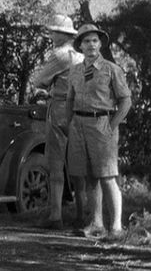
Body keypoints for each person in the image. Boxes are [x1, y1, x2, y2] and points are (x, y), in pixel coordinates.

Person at [66, 24, 132, 241]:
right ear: (80, 46)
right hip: (79, 124)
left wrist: (111, 125)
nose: (91, 45)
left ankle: (116, 227)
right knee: (89, 177)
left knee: (107, 176)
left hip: (102, 123)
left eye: (94, 40)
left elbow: (125, 101)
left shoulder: (112, 69)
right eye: (86, 41)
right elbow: (69, 99)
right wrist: (70, 124)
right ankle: (96, 224)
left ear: (100, 44)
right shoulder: (75, 70)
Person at [30, 14, 86, 230]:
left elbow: (39, 80)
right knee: (78, 166)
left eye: (54, 31)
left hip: (61, 108)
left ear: (63, 34)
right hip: (80, 111)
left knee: (55, 165)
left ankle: (55, 216)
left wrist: (45, 90)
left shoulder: (59, 55)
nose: (51, 34)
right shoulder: (82, 58)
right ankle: (82, 216)